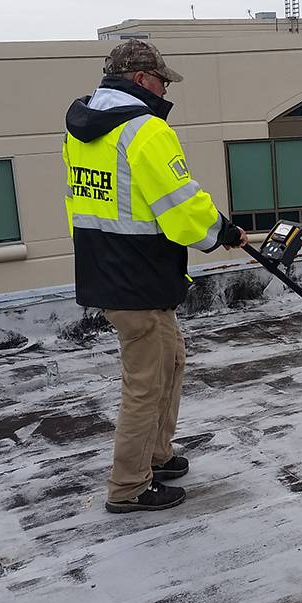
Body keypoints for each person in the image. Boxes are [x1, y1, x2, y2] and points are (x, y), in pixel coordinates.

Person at [63, 40, 247, 515]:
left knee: (171, 363)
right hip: (136, 275)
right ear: (143, 79)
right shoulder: (145, 130)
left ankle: (157, 456)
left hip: (114, 268)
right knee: (145, 383)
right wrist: (223, 231)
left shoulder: (82, 130)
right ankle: (128, 487)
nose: (166, 87)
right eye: (163, 79)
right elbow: (180, 205)